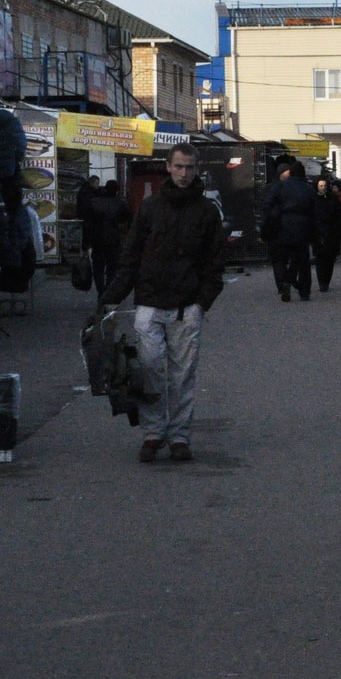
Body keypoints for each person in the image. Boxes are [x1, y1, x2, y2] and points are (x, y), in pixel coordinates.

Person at [101, 142, 226, 462]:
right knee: (150, 370)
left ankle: (179, 437)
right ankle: (154, 433)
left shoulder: (207, 212)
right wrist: (112, 296)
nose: (184, 173)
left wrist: (202, 303)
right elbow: (131, 255)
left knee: (182, 376)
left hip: (187, 308)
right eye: (179, 166)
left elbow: (215, 264)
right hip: (149, 305)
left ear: (197, 170)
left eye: (190, 167)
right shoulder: (150, 207)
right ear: (168, 168)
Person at [265, 159, 317, 301]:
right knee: (302, 261)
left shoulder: (281, 187)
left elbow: (267, 203)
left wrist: (276, 215)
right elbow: (315, 212)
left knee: (282, 259)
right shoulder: (308, 189)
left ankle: (286, 282)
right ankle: (304, 292)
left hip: (283, 227)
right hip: (302, 228)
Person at [86, 179, 132, 300]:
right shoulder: (121, 203)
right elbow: (126, 220)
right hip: (114, 239)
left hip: (97, 239)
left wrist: (86, 243)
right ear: (117, 190)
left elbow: (88, 224)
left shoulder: (94, 202)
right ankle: (107, 291)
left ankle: (101, 291)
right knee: (112, 268)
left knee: (98, 268)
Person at [311, 176, 341, 292]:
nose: (323, 188)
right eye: (321, 186)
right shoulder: (313, 199)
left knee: (330, 259)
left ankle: (326, 281)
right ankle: (322, 282)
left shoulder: (333, 198)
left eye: (325, 186)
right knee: (320, 258)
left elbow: (339, 214)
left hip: (332, 233)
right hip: (317, 234)